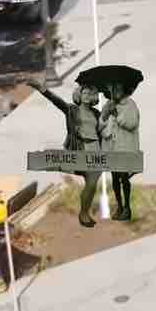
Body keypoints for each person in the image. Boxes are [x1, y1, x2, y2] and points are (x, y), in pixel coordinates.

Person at [36, 83, 106, 225]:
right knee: (89, 180)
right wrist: (41, 88)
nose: (87, 96)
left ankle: (84, 213)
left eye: (90, 94)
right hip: (81, 148)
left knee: (91, 184)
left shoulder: (96, 113)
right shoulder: (71, 109)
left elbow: (103, 131)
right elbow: (56, 100)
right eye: (85, 93)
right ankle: (84, 213)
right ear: (79, 96)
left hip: (96, 149)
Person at [101, 80, 142, 221]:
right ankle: (119, 206)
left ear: (124, 89)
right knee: (115, 179)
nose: (115, 92)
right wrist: (105, 115)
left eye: (118, 88)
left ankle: (127, 208)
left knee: (124, 178)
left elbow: (131, 124)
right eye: (113, 89)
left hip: (125, 149)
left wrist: (116, 115)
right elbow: (101, 126)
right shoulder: (109, 104)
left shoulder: (130, 105)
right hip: (112, 149)